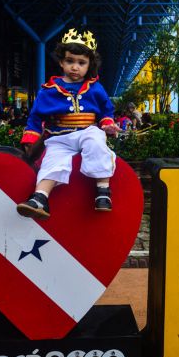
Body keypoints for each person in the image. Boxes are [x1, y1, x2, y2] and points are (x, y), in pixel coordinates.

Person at [17, 28, 120, 219]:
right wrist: (30, 138)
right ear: (61, 61)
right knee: (53, 161)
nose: (75, 67)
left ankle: (103, 191)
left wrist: (107, 124)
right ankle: (40, 198)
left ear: (90, 65)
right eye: (70, 61)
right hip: (59, 137)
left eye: (81, 63)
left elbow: (106, 110)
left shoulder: (95, 88)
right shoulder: (48, 90)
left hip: (87, 131)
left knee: (97, 142)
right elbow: (35, 117)